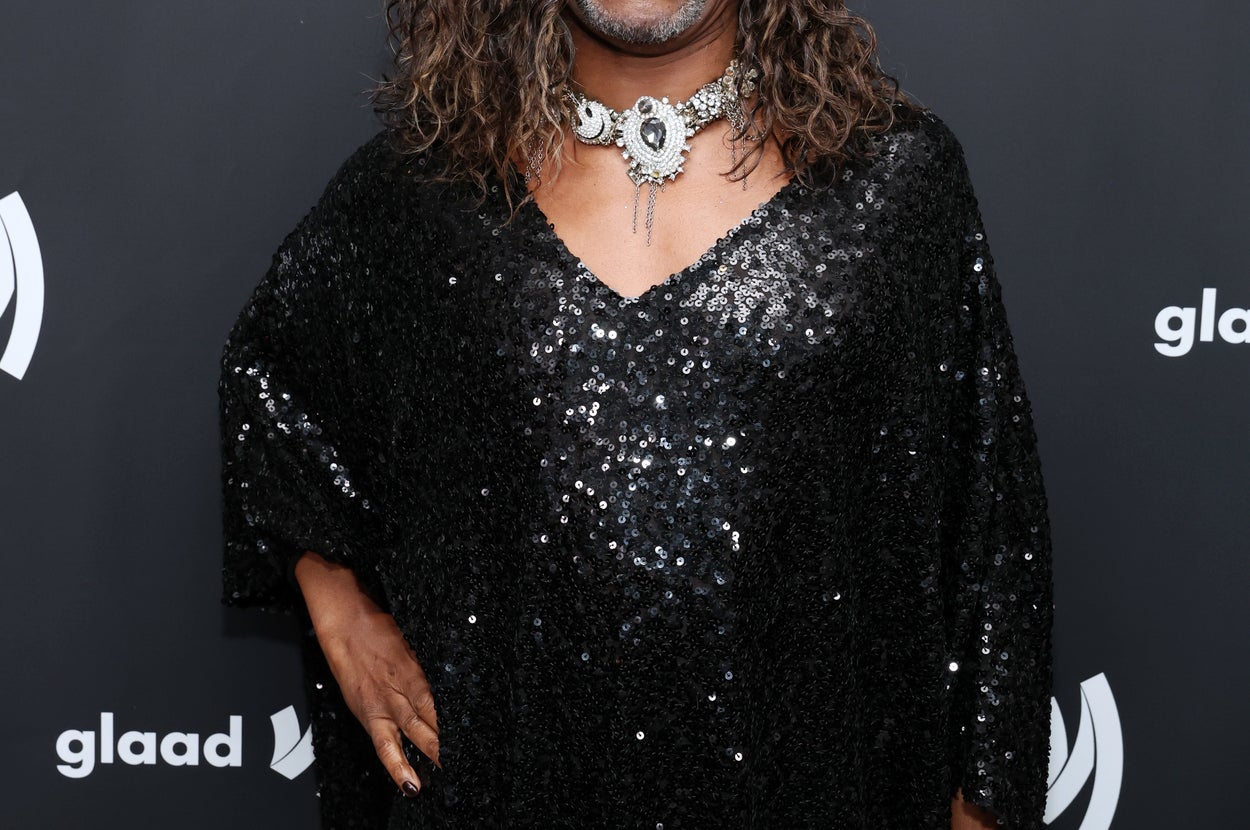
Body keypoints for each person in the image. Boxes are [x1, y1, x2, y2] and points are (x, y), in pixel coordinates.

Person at [218, 1, 1055, 828]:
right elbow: (275, 389)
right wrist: (340, 606)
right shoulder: (417, 194)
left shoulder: (896, 183)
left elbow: (991, 538)